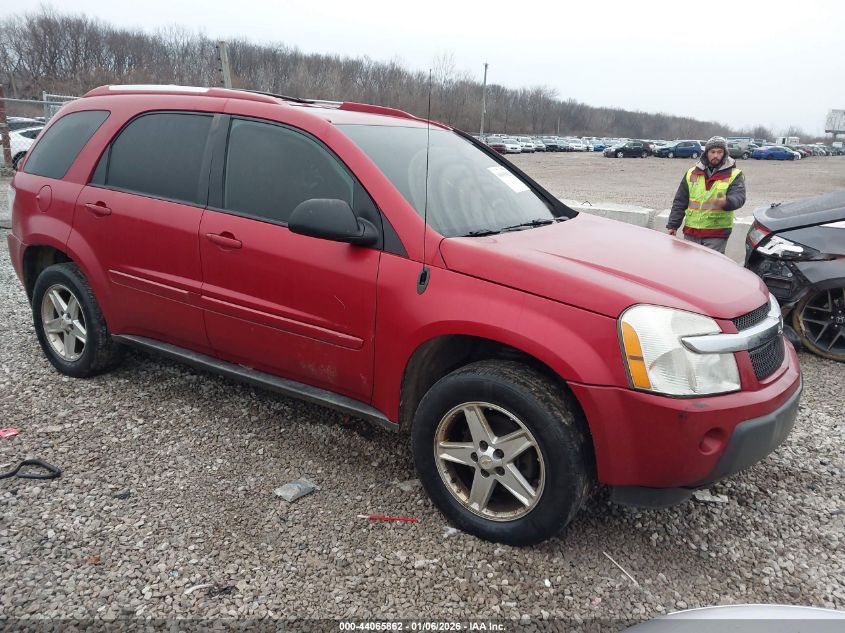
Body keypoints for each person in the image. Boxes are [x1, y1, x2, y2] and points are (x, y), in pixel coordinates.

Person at [666, 136, 746, 254]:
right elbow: (680, 201)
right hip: (691, 231)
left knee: (710, 264)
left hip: (716, 233)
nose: (716, 155)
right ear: (706, 153)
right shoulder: (692, 173)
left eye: (719, 152)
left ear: (725, 154)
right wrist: (673, 225)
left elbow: (739, 197)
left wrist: (727, 202)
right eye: (712, 152)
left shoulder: (734, 174)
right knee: (689, 263)